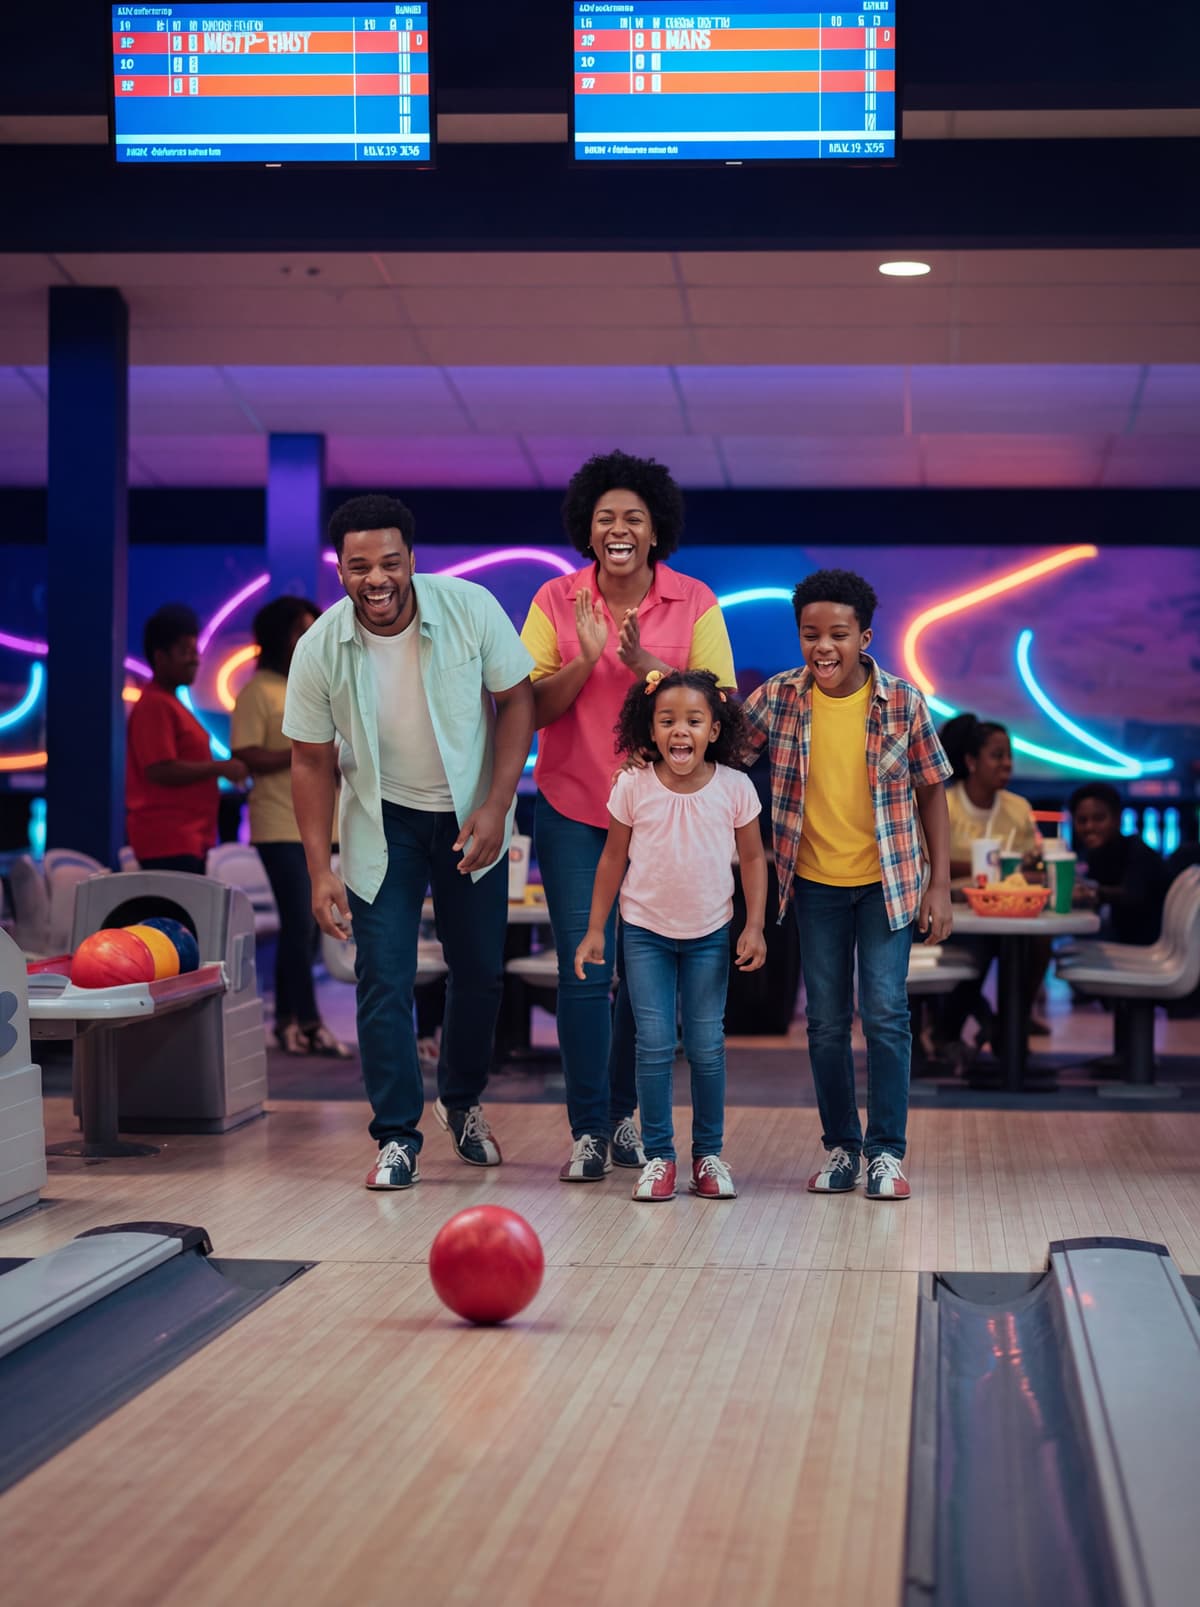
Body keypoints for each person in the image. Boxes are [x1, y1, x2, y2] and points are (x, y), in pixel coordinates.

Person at [283, 493, 535, 1191]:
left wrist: (497, 802)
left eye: (390, 562)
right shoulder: (319, 647)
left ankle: (462, 1101)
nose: (377, 578)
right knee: (384, 976)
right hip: (381, 820)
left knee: (479, 972)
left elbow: (518, 700)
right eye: (360, 566)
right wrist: (319, 869)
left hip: (471, 815)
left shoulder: (469, 608)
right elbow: (310, 760)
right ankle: (397, 1134)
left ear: (412, 561)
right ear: (340, 570)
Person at [520, 450, 736, 1183]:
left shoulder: (694, 599)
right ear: (587, 530)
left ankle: (620, 1116)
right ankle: (588, 1130)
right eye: (605, 517)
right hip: (574, 807)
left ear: (654, 531)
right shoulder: (555, 599)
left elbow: (720, 709)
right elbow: (529, 709)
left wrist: (646, 664)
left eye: (634, 518)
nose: (619, 529)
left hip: (663, 819)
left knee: (641, 975)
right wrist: (584, 659)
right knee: (587, 969)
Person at [741, 569, 953, 1202]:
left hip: (888, 882)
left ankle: (886, 1152)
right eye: (810, 634)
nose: (823, 646)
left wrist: (940, 885)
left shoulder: (903, 702)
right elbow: (717, 752)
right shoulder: (779, 697)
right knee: (827, 1023)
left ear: (865, 637)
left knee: (885, 1014)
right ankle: (842, 1147)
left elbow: (932, 792)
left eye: (838, 633)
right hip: (814, 885)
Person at [575, 670, 767, 1202]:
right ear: (651, 729)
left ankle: (708, 1157)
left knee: (706, 1046)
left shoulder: (735, 787)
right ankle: (659, 1156)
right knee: (654, 1045)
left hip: (710, 935)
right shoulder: (633, 785)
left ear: (714, 730)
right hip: (644, 934)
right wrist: (595, 929)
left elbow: (754, 859)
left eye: (693, 721)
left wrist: (753, 925)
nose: (680, 730)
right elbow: (612, 858)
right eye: (667, 720)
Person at [232, 595, 348, 1059]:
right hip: (279, 824)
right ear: (276, 636)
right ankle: (305, 1023)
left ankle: (291, 1021)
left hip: (325, 825)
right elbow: (246, 755)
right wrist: (309, 751)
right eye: (299, 630)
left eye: (312, 629)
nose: (307, 638)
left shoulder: (315, 683)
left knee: (308, 928)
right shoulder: (257, 691)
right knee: (301, 923)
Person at [936, 713, 1049, 1052]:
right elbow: (927, 864)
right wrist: (989, 866)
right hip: (952, 917)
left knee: (1037, 944)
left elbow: (1032, 869)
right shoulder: (945, 805)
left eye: (1009, 755)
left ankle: (1009, 1026)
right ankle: (949, 1031)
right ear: (971, 761)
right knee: (980, 946)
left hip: (1006, 914)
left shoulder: (1018, 808)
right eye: (997, 755)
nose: (1007, 764)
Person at [126, 603, 247, 873]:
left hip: (184, 839)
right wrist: (220, 768)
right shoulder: (155, 704)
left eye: (195, 651)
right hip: (168, 839)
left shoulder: (171, 703)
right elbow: (159, 769)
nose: (195, 659)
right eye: (185, 651)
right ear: (160, 657)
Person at [1070, 783, 1168, 946]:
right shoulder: (1096, 854)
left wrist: (1092, 892)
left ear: (1117, 819)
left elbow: (1133, 896)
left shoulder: (1138, 851)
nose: (1089, 827)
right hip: (1122, 938)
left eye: (1099, 818)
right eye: (1082, 820)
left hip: (1147, 944)